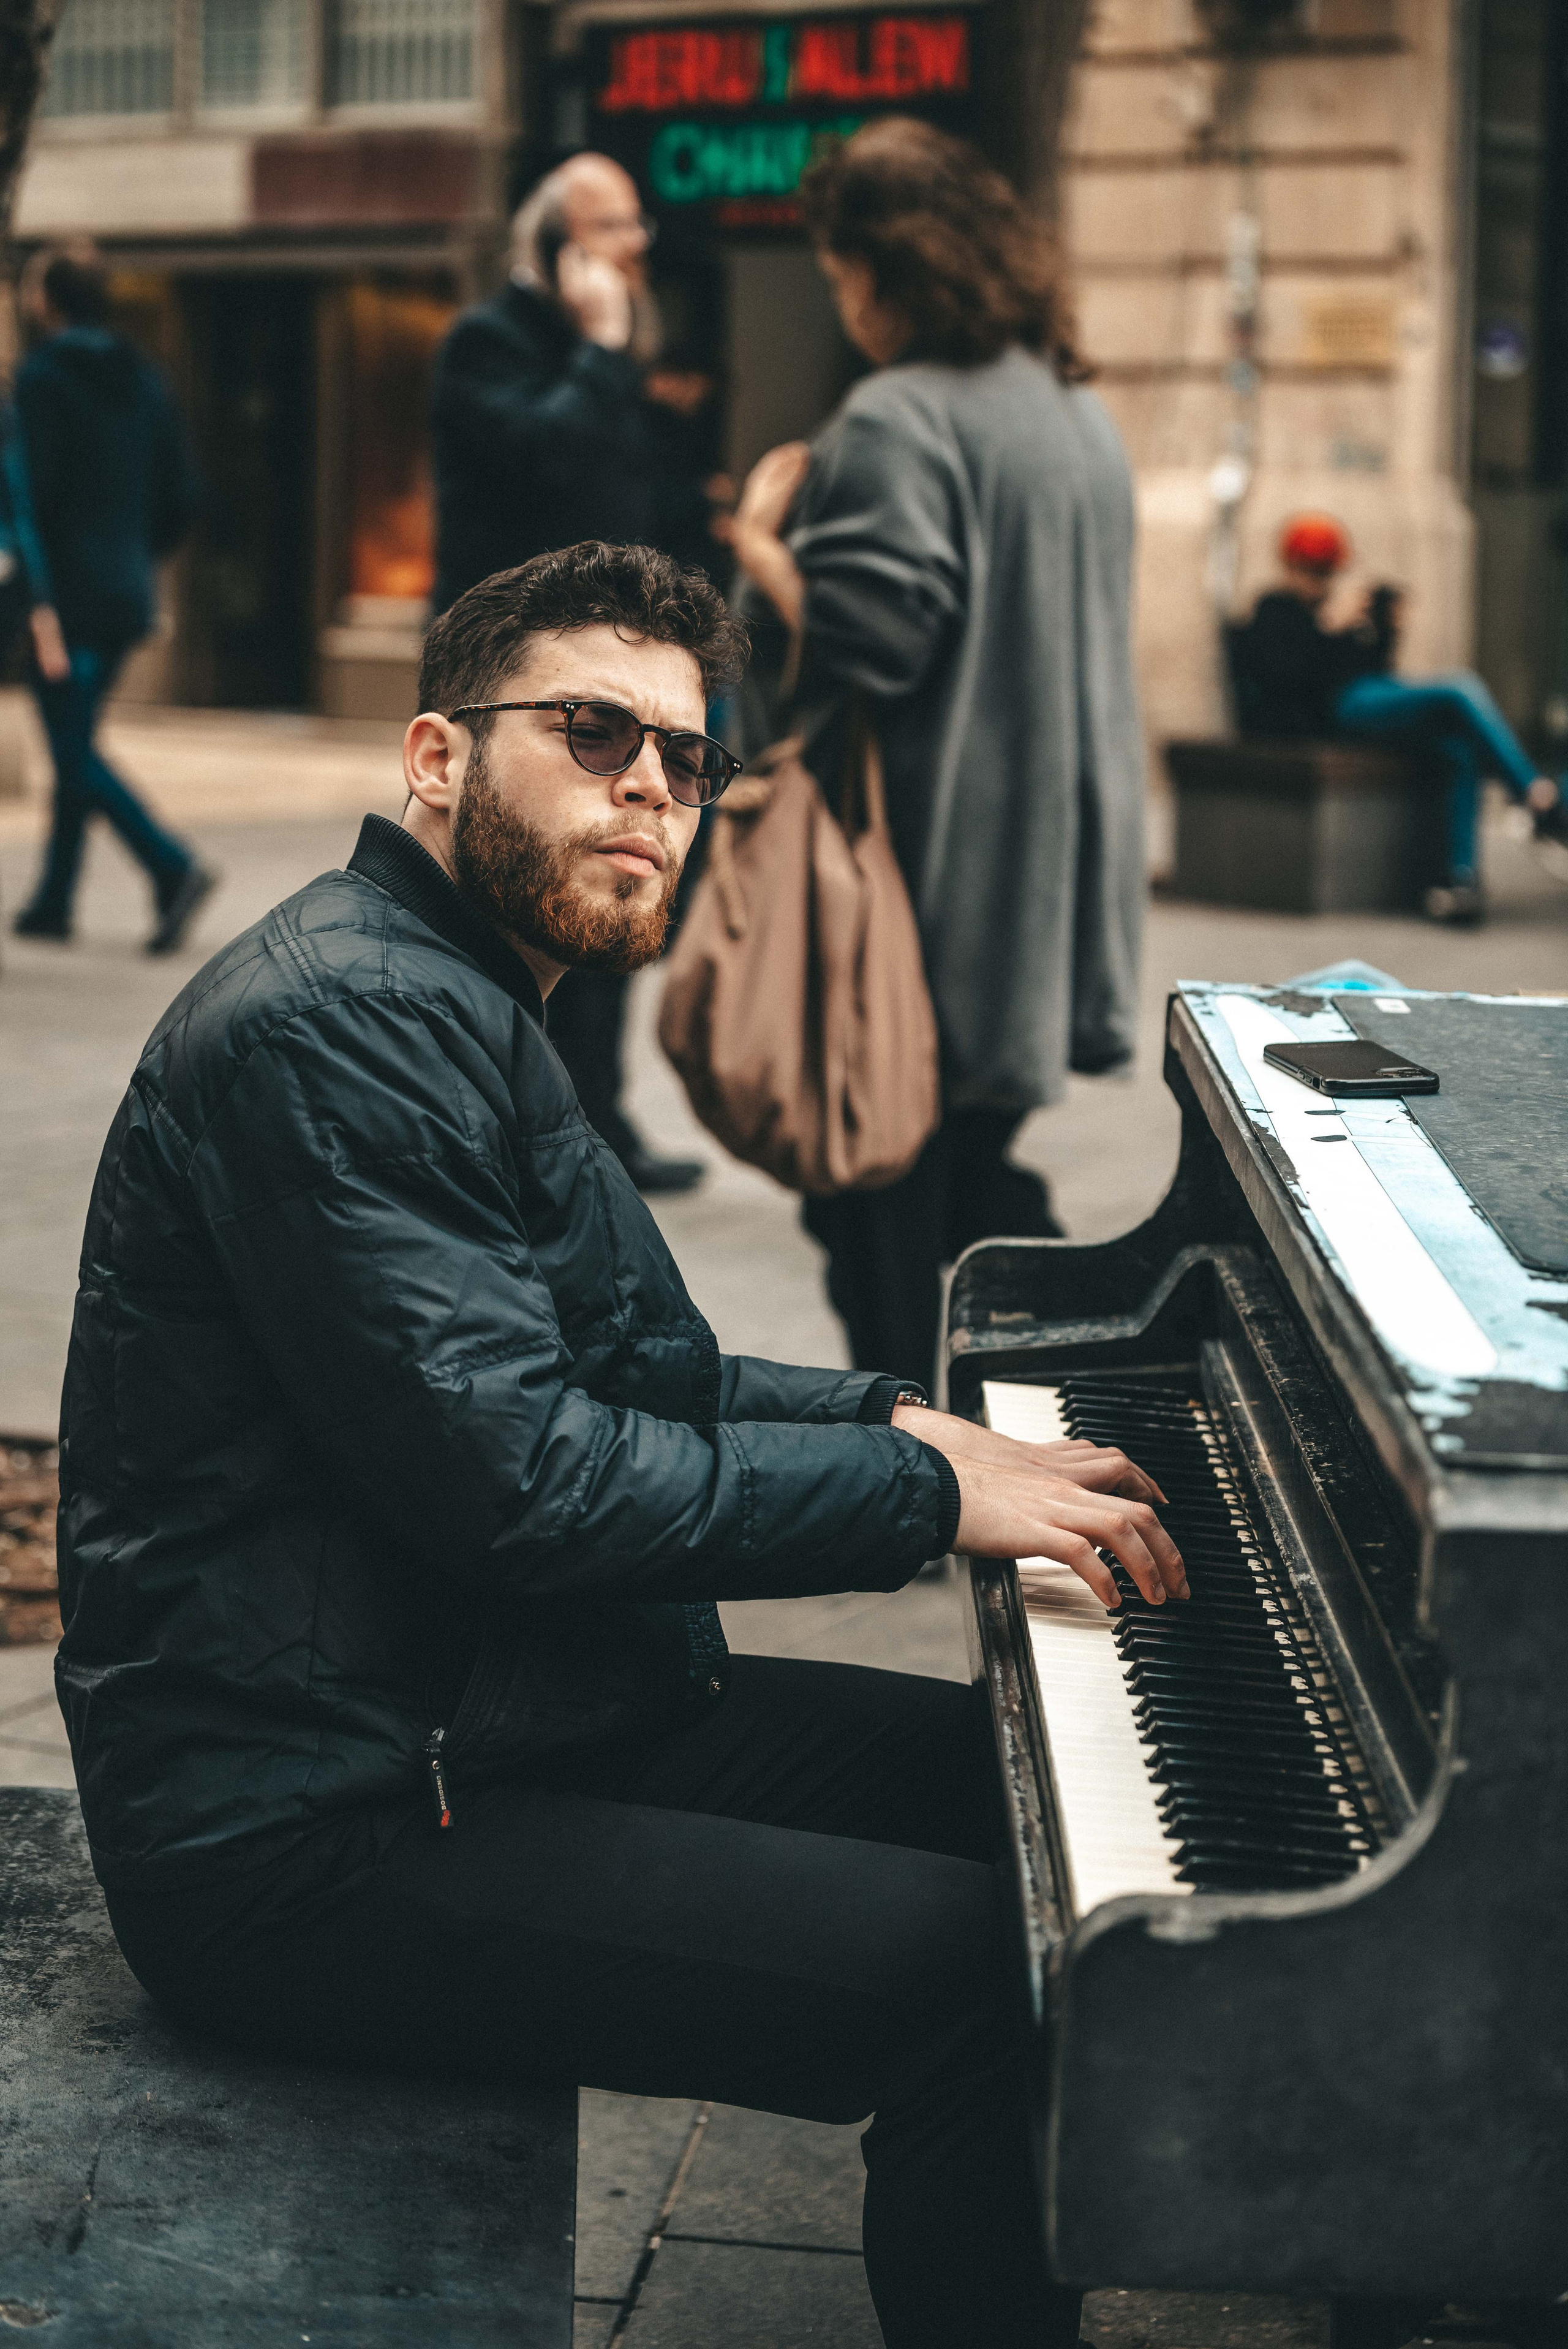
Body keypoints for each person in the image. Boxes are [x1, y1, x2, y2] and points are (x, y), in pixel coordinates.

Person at [59, 540, 1188, 2349]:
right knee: (997, 1988)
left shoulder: (454, 997)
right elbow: (534, 1484)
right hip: (315, 1827)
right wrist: (920, 1492)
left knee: (1032, 1801)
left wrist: (910, 1421)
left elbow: (635, 1370)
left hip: (486, 1711)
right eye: (595, 735)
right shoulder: (348, 1024)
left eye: (690, 761)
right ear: (437, 757)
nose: (654, 788)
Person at [728, 118, 1146, 1393]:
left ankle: (917, 1459)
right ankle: (1052, 1402)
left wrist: (756, 552)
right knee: (973, 1177)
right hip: (1046, 879)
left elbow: (871, 636)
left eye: (839, 273)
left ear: (886, 267)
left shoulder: (899, 420)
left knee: (871, 1203)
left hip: (925, 893)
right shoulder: (1073, 413)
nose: (839, 301)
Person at [431, 155, 705, 1194]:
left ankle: (595, 1130)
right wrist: (597, 349)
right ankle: (495, 1127)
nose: (637, 247)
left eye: (636, 226)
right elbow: (547, 467)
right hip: (512, 680)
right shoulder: (486, 344)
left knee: (615, 882)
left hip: (614, 673)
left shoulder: (614, 354)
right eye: (612, 229)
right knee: (505, 895)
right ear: (557, 246)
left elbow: (628, 503)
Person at [9, 246, 215, 955]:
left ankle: (171, 866)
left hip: (63, 603)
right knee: (76, 738)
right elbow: (183, 494)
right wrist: (137, 557)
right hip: (125, 591)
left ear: (47, 302)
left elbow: (28, 506)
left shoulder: (40, 381)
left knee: (72, 752)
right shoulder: (146, 379)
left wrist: (39, 607)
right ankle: (54, 900)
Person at [1228, 510, 1568, 924]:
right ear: (1292, 567)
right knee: (1459, 688)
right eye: (1312, 572)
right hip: (1333, 714)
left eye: (1325, 572)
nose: (1318, 582)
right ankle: (1536, 795)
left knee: (1458, 749)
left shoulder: (1334, 607)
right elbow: (1287, 680)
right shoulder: (1275, 609)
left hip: (1367, 702)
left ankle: (1462, 881)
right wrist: (1327, 626)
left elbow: (1375, 669)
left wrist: (1386, 628)